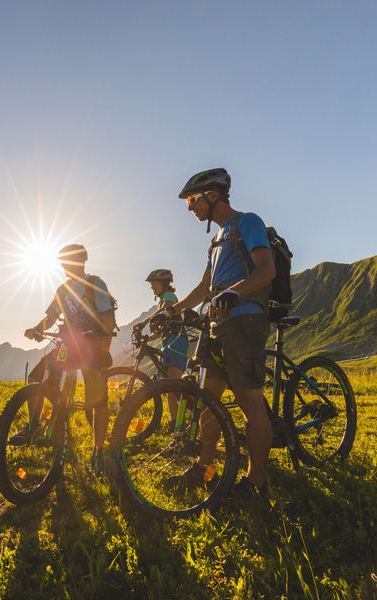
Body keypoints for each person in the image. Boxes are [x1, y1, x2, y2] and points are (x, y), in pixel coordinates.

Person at [165, 168, 276, 495]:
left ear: (212, 196)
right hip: (216, 325)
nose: (190, 208)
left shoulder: (248, 222)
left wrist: (234, 292)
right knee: (208, 400)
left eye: (192, 199)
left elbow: (266, 269)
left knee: (248, 402)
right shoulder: (216, 238)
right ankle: (203, 468)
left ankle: (256, 482)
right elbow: (204, 287)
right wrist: (173, 309)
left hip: (244, 320)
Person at [23, 244, 116, 476]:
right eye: (63, 262)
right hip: (67, 344)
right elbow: (51, 316)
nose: (65, 266)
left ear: (81, 261)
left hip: (92, 346)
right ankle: (37, 429)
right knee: (37, 378)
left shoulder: (95, 283)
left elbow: (108, 317)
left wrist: (104, 348)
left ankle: (99, 450)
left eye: (68, 261)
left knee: (97, 399)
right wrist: (36, 329)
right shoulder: (63, 289)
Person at [133, 269, 189, 428]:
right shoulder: (162, 301)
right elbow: (159, 333)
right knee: (169, 386)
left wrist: (143, 323)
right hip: (169, 340)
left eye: (154, 284)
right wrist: (146, 339)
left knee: (174, 385)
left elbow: (164, 311)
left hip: (176, 340)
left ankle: (182, 423)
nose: (151, 287)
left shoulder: (169, 297)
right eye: (151, 285)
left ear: (164, 284)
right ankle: (175, 423)